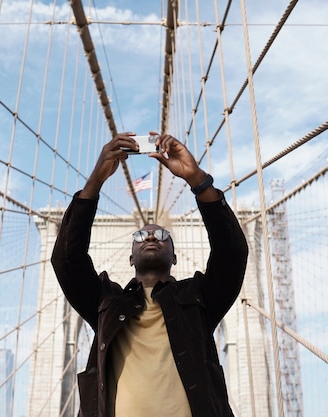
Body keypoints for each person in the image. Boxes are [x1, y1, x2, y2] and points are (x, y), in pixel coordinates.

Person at [51, 132, 249, 417]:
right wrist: (95, 181)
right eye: (142, 235)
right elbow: (67, 260)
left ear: (175, 256)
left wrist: (198, 180)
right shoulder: (104, 303)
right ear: (131, 257)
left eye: (162, 235)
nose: (151, 237)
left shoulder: (201, 301)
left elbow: (231, 254)